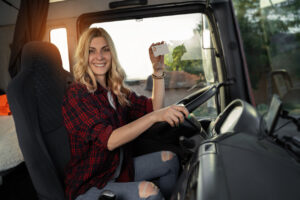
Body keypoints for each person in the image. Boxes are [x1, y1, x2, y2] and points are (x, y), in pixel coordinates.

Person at [62, 27, 189, 200]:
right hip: (91, 184)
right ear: (84, 57)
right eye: (92, 51)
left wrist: (158, 70)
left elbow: (155, 108)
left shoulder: (116, 90)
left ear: (111, 54)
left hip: (117, 168)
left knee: (170, 160)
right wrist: (153, 117)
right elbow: (110, 140)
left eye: (105, 50)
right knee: (150, 191)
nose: (99, 57)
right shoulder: (76, 94)